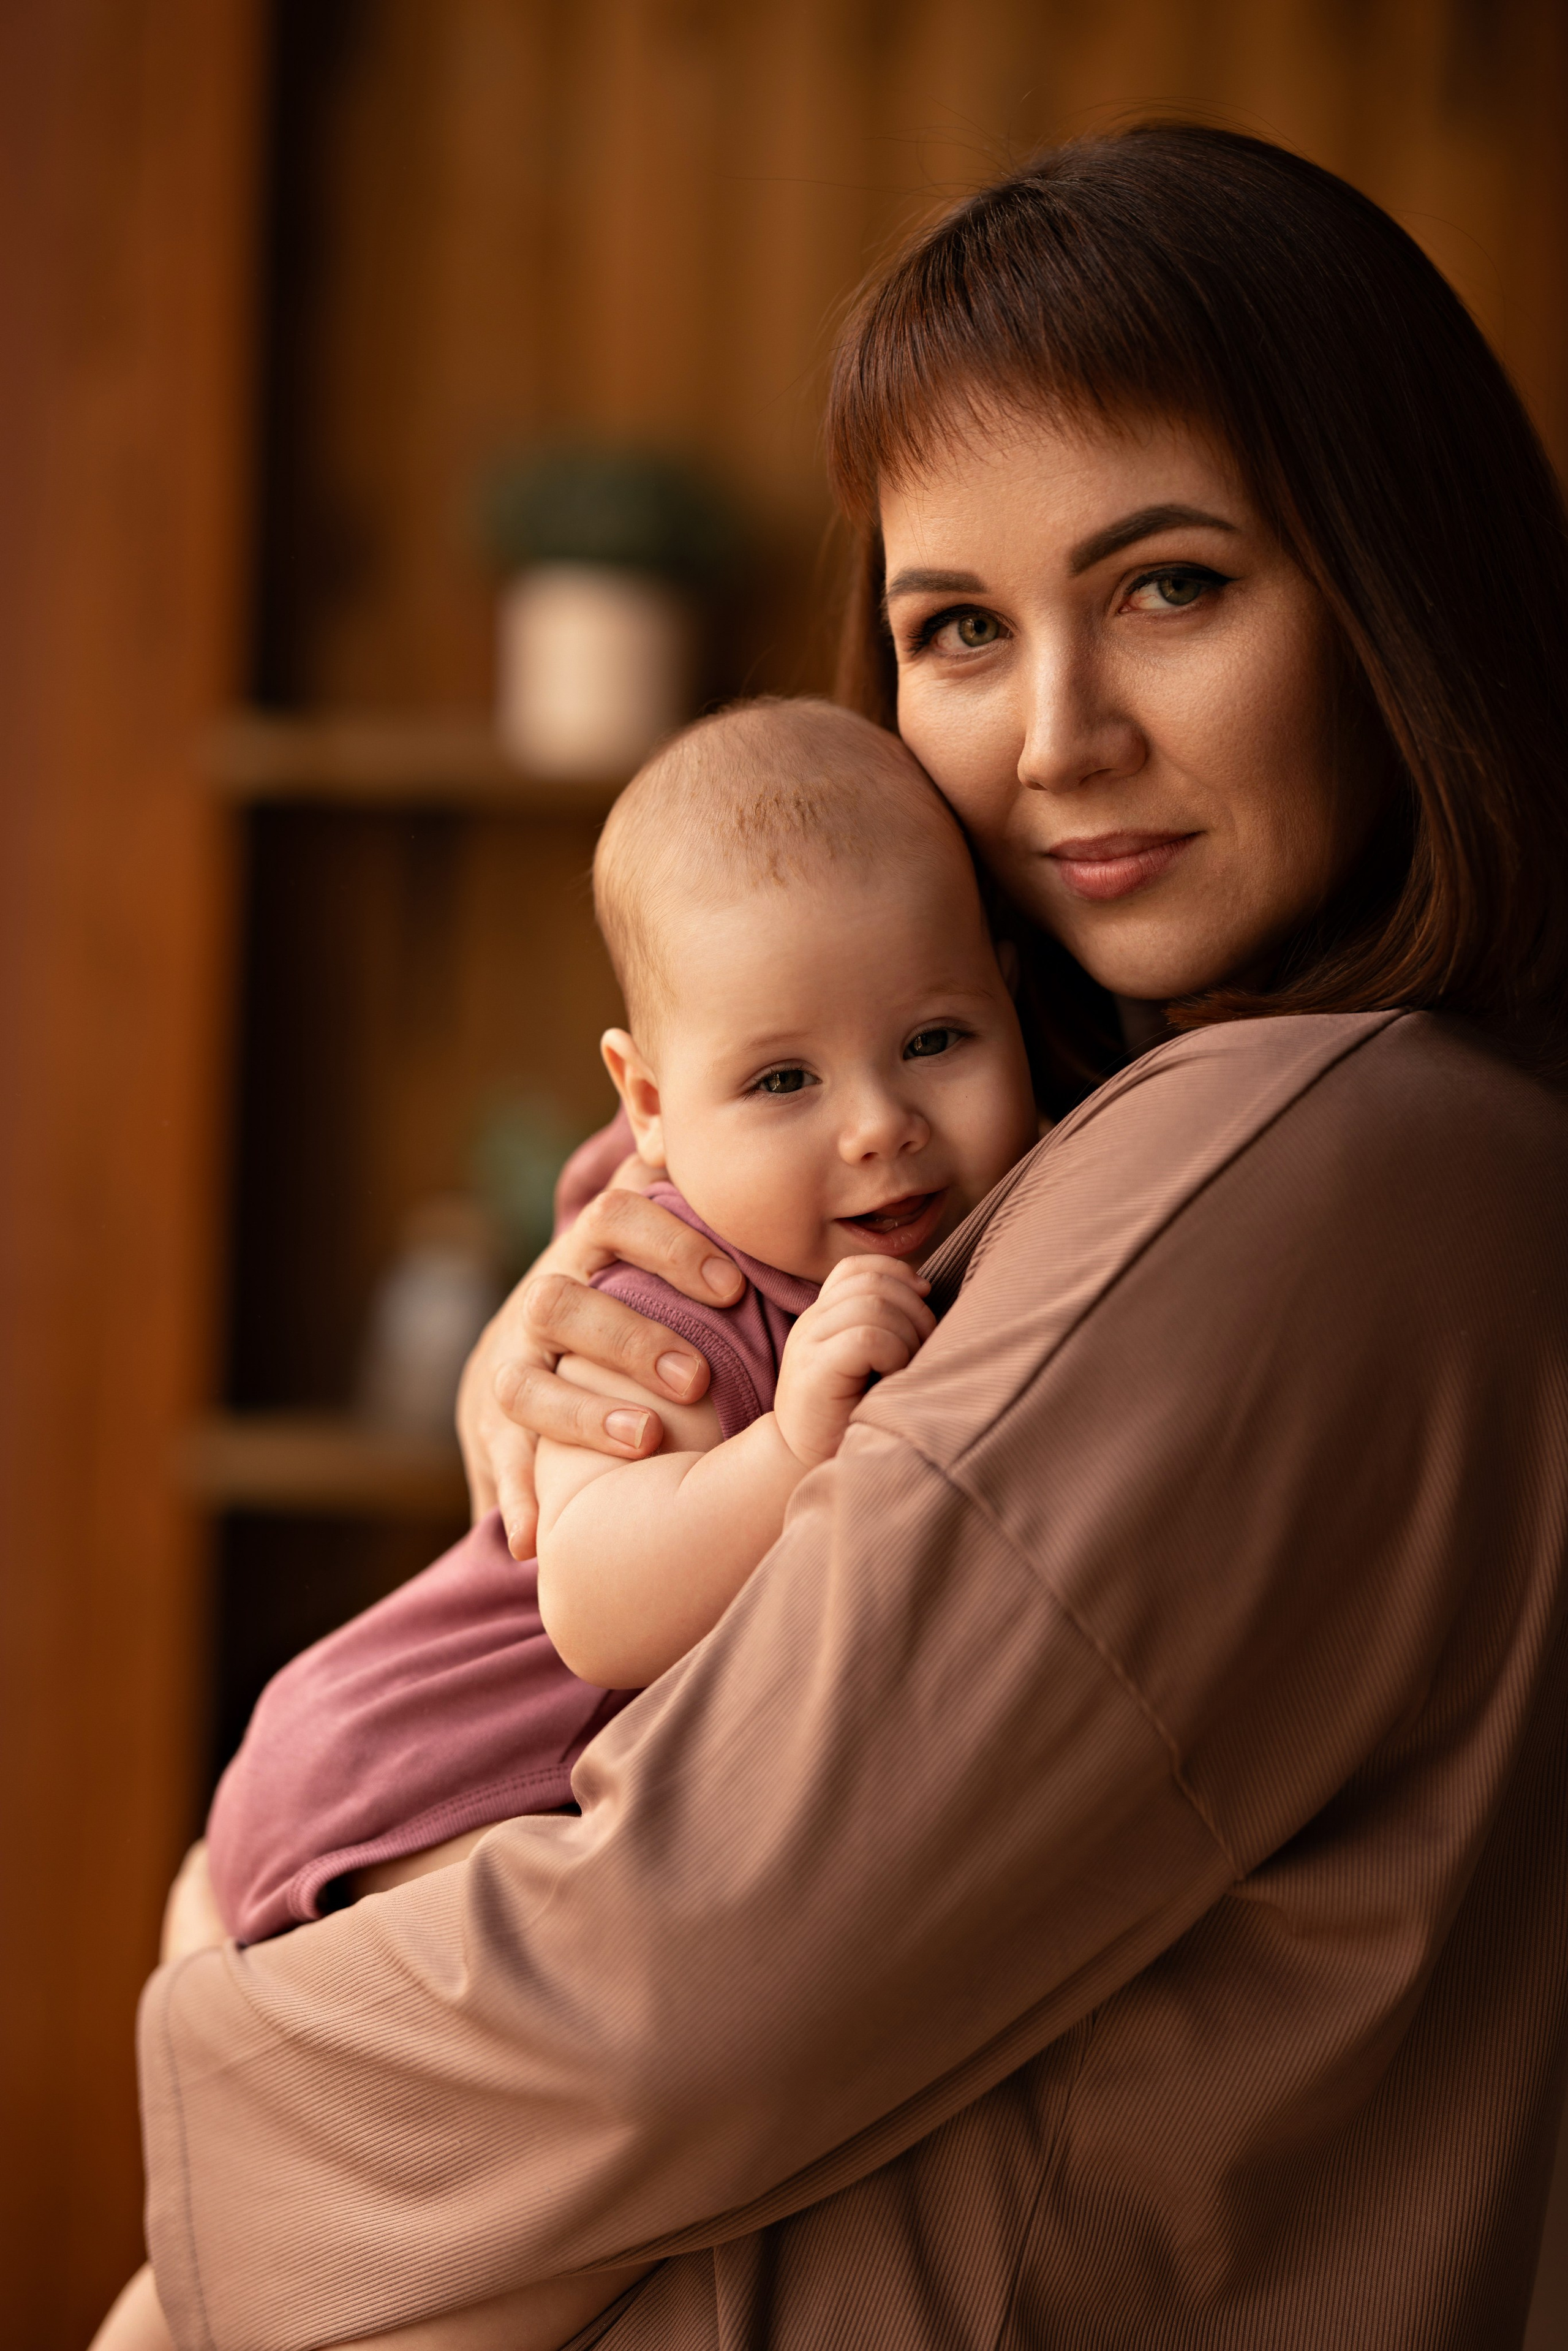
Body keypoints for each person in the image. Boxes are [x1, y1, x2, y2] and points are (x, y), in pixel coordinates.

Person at [134, 125, 1568, 2351]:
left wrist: (209, 1995)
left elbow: (673, 1973)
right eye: (960, 631)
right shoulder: (1119, 1125)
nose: (1062, 739)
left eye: (1174, 585)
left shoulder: (1338, 1150)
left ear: (1393, 577)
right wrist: (605, 1324)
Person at [91, 700, 1039, 2347]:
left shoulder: (941, 1210)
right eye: (784, 1079)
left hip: (466, 1792)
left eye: (936, 1041)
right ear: (648, 1104)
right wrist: (787, 1454)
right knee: (417, 2277)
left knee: (244, 2293)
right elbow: (599, 1601)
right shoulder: (670, 1282)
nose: (876, 1123)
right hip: (408, 1783)